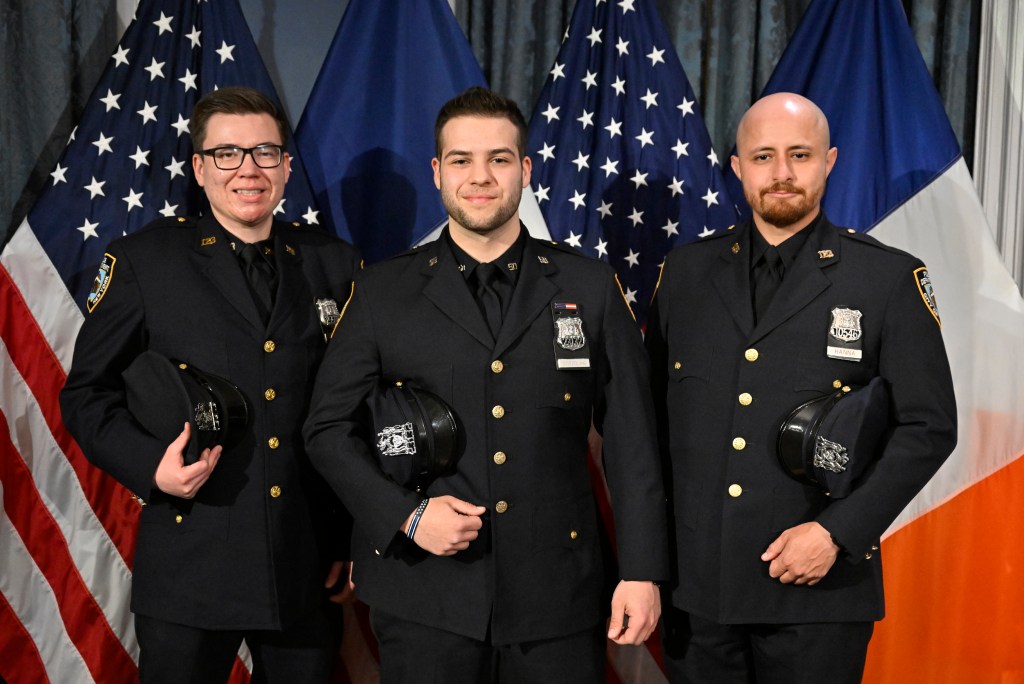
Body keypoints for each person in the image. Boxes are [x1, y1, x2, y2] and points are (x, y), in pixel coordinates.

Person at [303, 86, 667, 682]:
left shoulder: (590, 286)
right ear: (437, 172)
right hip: (425, 595)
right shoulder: (381, 292)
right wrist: (407, 515)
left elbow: (632, 438)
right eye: (461, 160)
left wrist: (643, 570)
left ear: (524, 170)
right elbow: (326, 431)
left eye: (499, 159)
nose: (481, 176)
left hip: (556, 595)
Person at [646, 92, 958, 683]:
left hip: (819, 591)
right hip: (699, 586)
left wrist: (838, 532)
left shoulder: (887, 278)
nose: (782, 173)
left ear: (830, 161)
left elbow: (929, 426)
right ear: (736, 167)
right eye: (763, 157)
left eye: (800, 155)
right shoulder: (685, 274)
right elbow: (647, 425)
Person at [60, 86, 362, 683]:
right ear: (199, 168)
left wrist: (350, 531)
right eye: (227, 154)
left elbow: (353, 408)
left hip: (303, 561)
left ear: (286, 167)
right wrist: (152, 467)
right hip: (190, 563)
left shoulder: (335, 263)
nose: (247, 170)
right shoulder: (145, 262)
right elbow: (85, 394)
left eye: (264, 152)